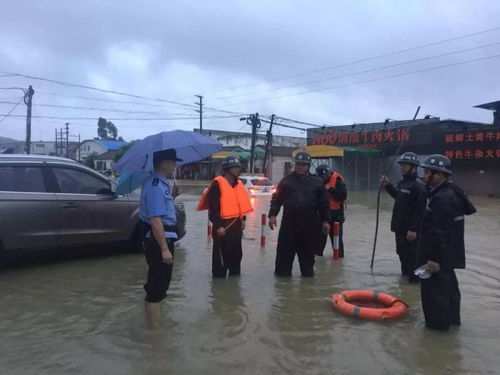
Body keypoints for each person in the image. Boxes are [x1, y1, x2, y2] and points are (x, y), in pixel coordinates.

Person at [418, 154, 476, 331]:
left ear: (438, 174)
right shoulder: (452, 192)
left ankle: (437, 331)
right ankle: (451, 324)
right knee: (449, 290)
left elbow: (439, 231)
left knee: (435, 295)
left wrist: (433, 258)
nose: (424, 175)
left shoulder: (442, 198)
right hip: (449, 255)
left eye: (427, 172)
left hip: (439, 257)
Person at [268, 151, 330, 277]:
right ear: (294, 165)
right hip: (288, 226)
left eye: (303, 165)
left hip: (309, 227)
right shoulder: (286, 181)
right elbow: (277, 199)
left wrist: (326, 221)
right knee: (282, 266)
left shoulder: (317, 183)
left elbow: (324, 204)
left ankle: (307, 292)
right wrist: (272, 215)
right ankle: (283, 292)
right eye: (298, 164)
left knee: (307, 266)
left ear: (308, 166)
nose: (300, 167)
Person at [139, 148, 182, 329]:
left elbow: (162, 212)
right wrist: (164, 248)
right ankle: (155, 334)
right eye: (173, 162)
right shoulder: (156, 185)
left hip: (163, 238)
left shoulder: (160, 185)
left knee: (158, 285)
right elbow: (156, 219)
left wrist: (172, 195)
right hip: (160, 240)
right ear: (164, 163)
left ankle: (153, 324)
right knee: (156, 289)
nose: (174, 166)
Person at [197, 156, 253, 278]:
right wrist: (218, 226)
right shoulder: (218, 184)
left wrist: (243, 219)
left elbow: (240, 204)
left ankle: (234, 284)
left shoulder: (238, 184)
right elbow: (213, 209)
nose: (237, 169)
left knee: (236, 257)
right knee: (220, 261)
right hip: (222, 228)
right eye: (235, 167)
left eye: (238, 167)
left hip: (236, 227)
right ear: (227, 169)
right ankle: (219, 285)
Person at [381, 152, 427, 283]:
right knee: (402, 254)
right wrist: (388, 185)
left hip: (410, 230)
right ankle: (405, 281)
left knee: (412, 257)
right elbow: (398, 197)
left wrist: (413, 229)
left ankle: (414, 284)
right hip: (400, 228)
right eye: (401, 165)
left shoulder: (418, 186)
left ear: (413, 167)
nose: (401, 168)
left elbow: (420, 210)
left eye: (405, 165)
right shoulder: (403, 183)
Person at [315, 164, 347, 257]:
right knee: (318, 243)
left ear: (329, 174)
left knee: (337, 242)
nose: (322, 179)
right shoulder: (316, 182)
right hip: (322, 214)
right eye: (320, 177)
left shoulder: (338, 181)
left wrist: (330, 189)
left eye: (324, 177)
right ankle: (318, 264)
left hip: (336, 215)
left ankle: (338, 264)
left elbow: (343, 196)